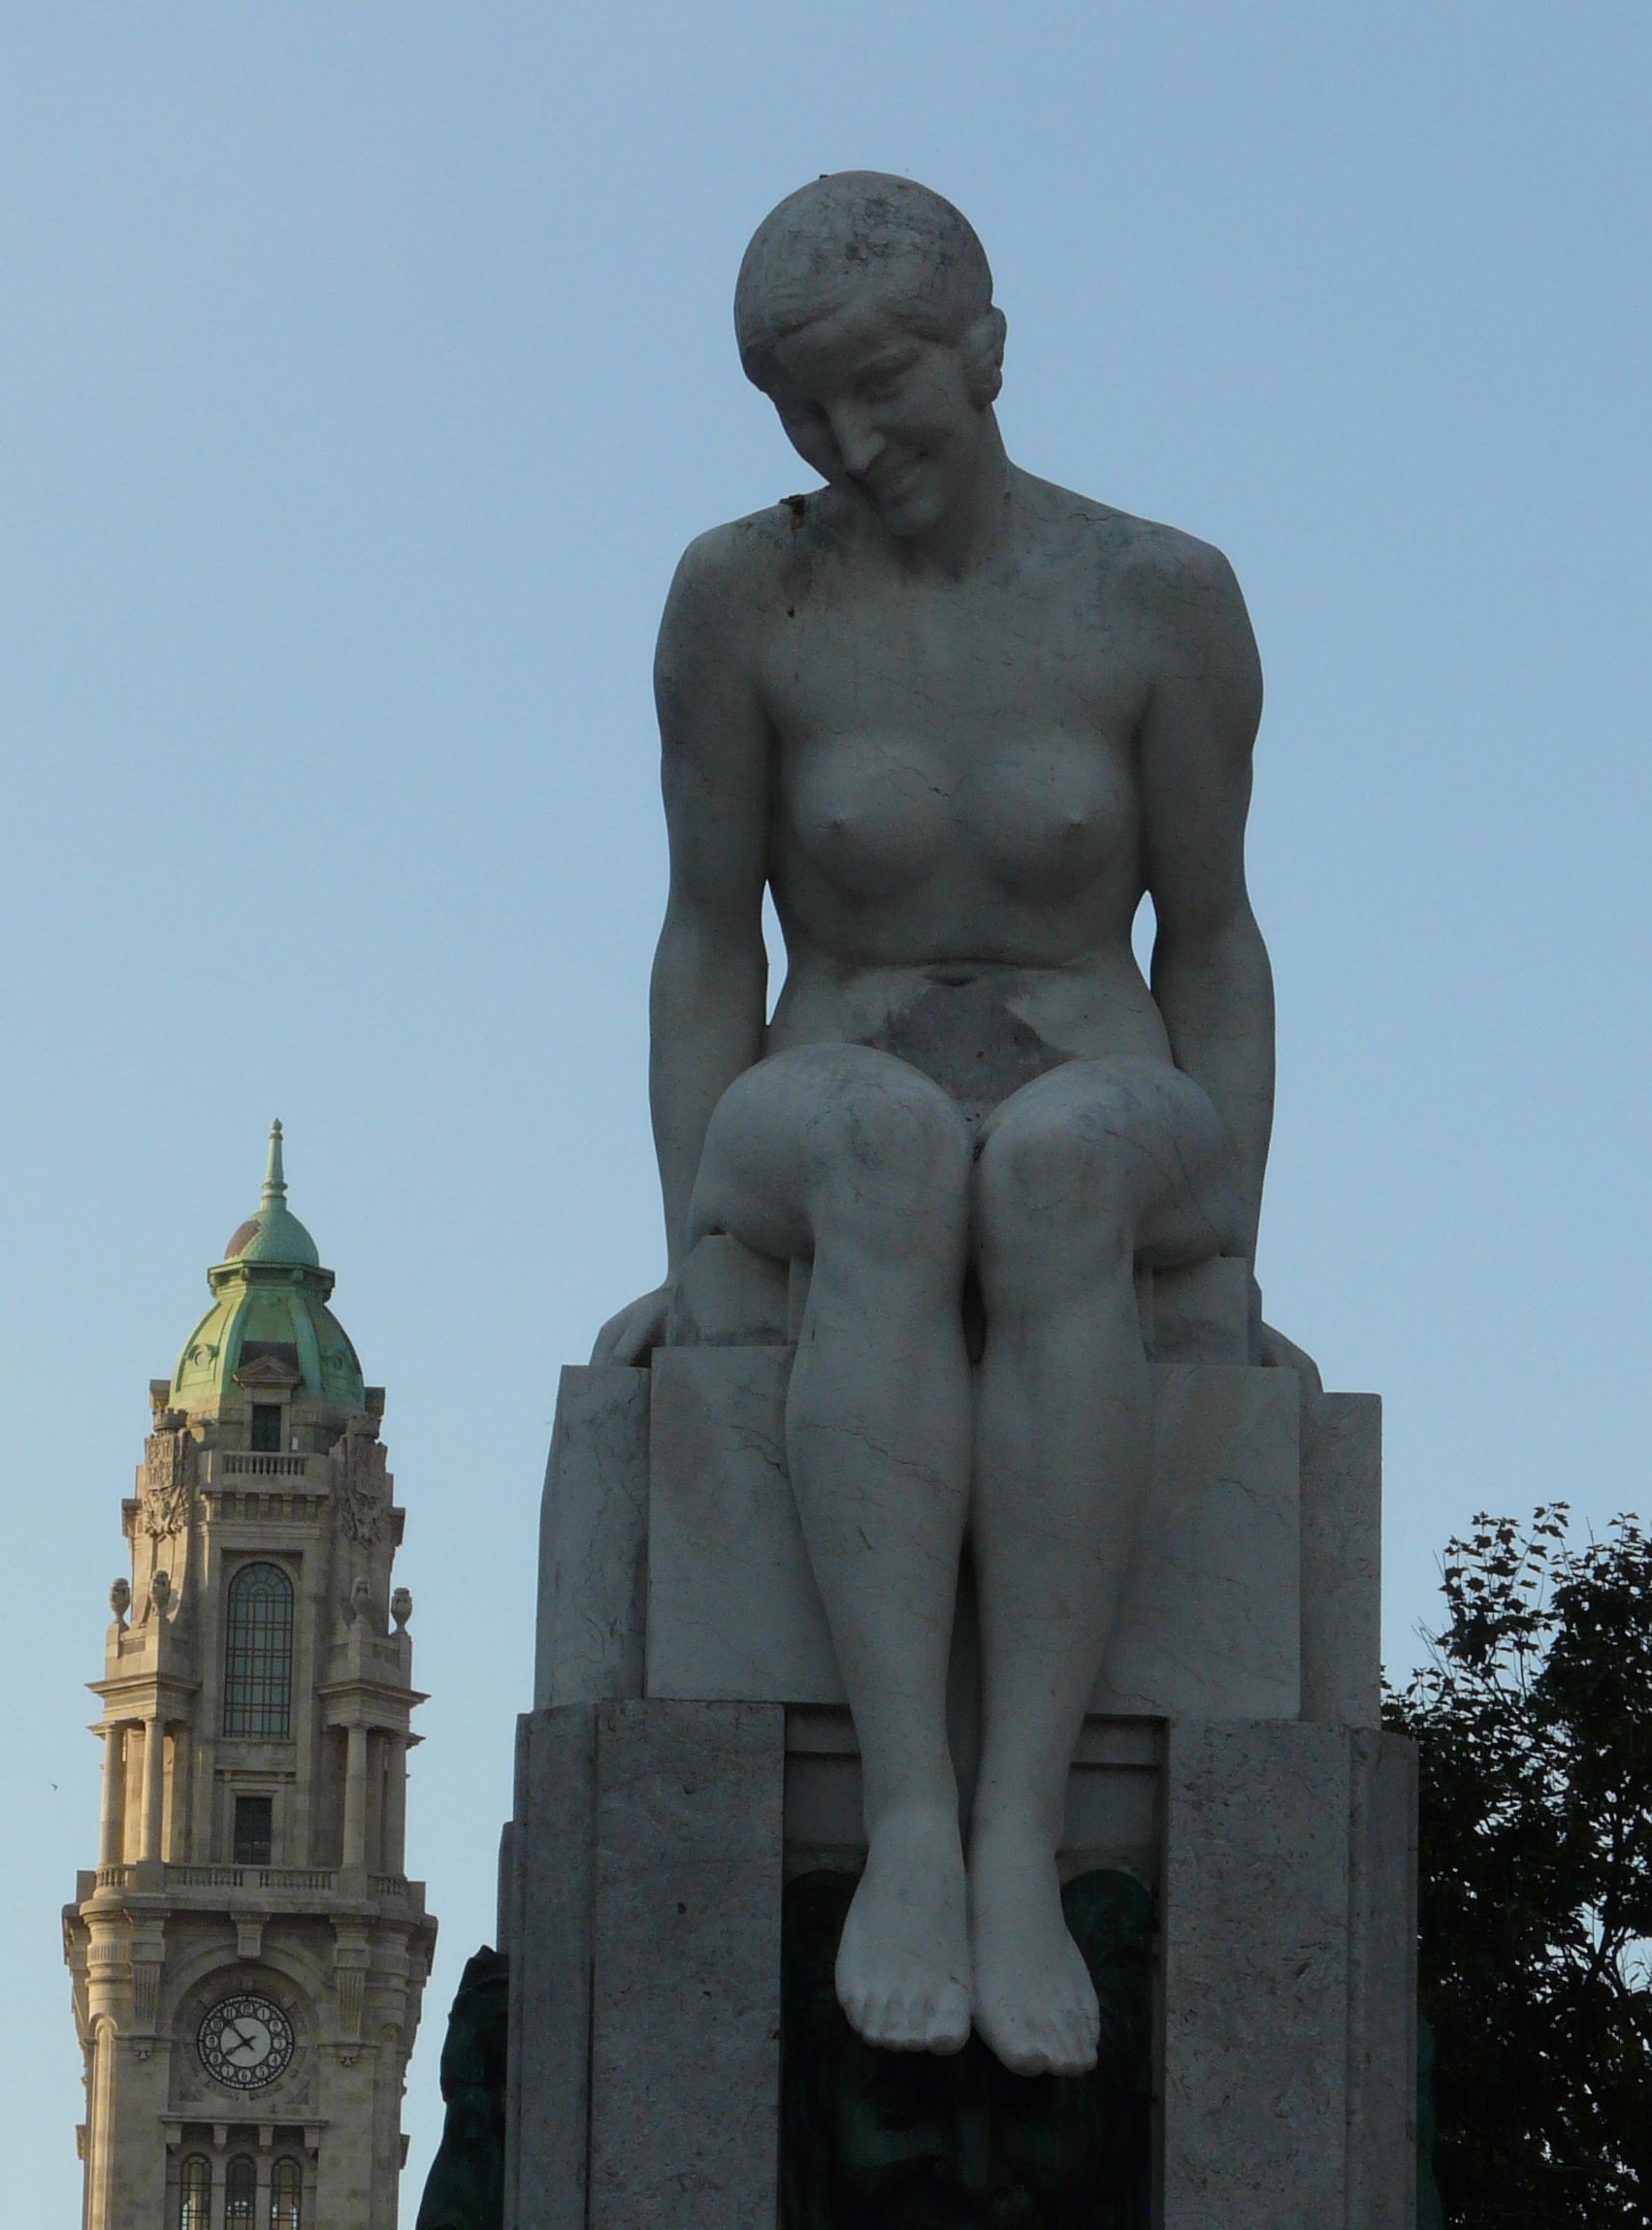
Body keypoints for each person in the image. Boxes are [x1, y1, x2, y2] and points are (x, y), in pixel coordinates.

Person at [591, 173, 1276, 2079]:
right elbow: (704, 934)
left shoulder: (1159, 595)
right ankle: (909, 1811)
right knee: (891, 1147)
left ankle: (1017, 1834)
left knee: (1053, 1167)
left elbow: (1211, 941)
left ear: (982, 346)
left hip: (1096, 1073)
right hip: (827, 1084)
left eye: (878, 386)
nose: (843, 441)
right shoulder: (741, 596)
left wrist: (1228, 1241)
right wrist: (694, 1250)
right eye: (797, 406)